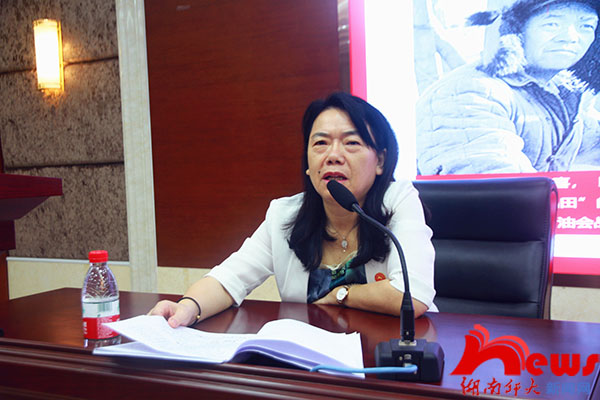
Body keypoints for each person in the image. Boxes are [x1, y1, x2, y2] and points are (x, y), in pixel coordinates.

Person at [149, 92, 437, 327]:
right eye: (320, 143)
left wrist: (341, 293)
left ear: (380, 162)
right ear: (308, 164)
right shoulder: (284, 215)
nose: (333, 155)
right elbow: (230, 278)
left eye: (351, 143)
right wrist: (188, 307)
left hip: (391, 355)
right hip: (311, 361)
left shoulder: (399, 201)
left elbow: (412, 296)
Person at [416, 0, 600, 175]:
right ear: (516, 29)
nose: (570, 38)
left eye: (586, 26)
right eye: (552, 24)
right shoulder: (471, 91)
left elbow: (591, 149)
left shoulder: (563, 93)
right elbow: (499, 183)